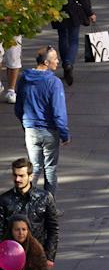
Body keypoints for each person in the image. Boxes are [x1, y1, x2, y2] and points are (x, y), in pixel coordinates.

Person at [14, 46, 68, 186]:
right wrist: (64, 134)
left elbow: (18, 107)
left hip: (31, 129)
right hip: (49, 130)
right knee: (50, 169)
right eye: (55, 58)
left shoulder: (24, 78)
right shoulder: (54, 82)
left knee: (34, 168)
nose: (58, 61)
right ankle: (49, 199)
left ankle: (27, 197)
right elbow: (58, 112)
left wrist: (26, 124)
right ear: (46, 62)